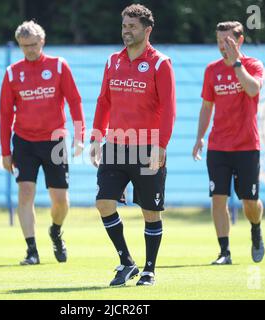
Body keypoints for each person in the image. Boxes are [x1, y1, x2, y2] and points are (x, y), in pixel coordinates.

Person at [90, 4, 176, 286]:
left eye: (132, 26)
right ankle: (126, 261)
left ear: (147, 30)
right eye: (124, 26)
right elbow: (104, 101)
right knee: (104, 203)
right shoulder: (112, 60)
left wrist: (161, 145)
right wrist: (95, 137)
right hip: (114, 145)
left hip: (148, 147)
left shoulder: (160, 63)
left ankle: (150, 269)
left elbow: (169, 108)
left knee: (150, 211)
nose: (127, 31)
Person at [0, 21, 85, 265]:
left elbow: (75, 101)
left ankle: (56, 231)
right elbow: (6, 114)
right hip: (24, 142)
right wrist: (5, 151)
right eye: (24, 46)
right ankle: (31, 251)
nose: (29, 50)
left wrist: (79, 135)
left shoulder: (58, 66)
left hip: (55, 141)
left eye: (33, 45)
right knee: (25, 192)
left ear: (42, 42)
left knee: (60, 200)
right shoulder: (12, 73)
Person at [192, 21, 265, 265]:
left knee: (250, 202)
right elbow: (206, 107)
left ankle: (255, 229)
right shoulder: (211, 70)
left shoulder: (253, 65)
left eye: (228, 41)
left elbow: (253, 90)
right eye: (219, 41)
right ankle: (225, 252)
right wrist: (200, 137)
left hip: (247, 146)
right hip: (218, 147)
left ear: (239, 40)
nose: (223, 46)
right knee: (218, 198)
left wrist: (236, 64)